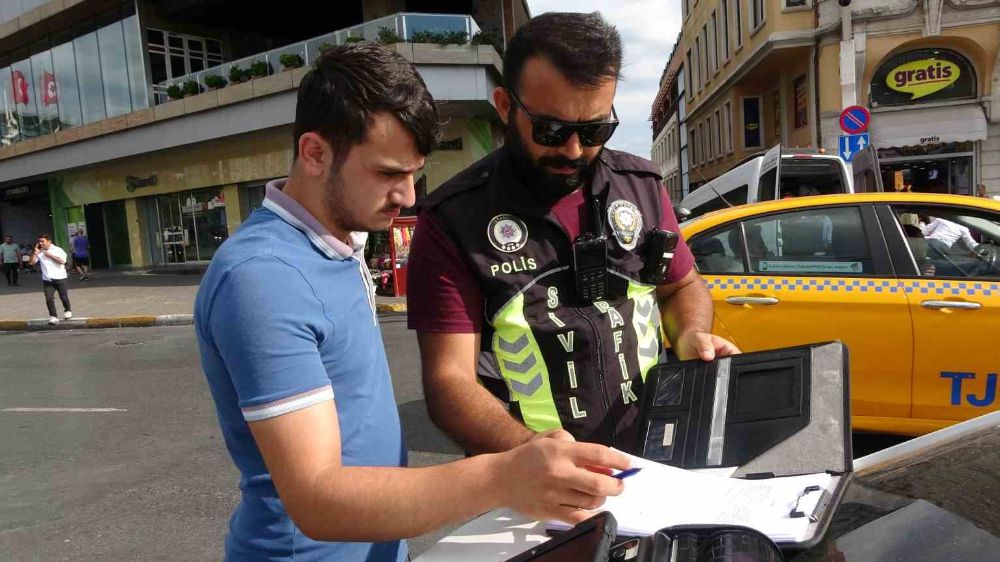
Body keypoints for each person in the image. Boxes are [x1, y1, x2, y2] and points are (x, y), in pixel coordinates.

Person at [194, 42, 630, 562]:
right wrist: (502, 476)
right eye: (386, 173)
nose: (407, 196)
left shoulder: (332, 243)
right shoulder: (264, 277)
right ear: (314, 153)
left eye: (413, 174)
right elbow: (315, 499)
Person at [406, 12, 740, 455]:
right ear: (505, 106)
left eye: (595, 130)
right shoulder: (453, 219)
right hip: (527, 483)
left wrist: (689, 334)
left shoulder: (641, 187)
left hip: (657, 455)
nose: (574, 150)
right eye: (552, 130)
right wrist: (531, 453)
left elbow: (681, 286)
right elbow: (449, 383)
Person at [28, 234, 71, 325]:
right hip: (47, 279)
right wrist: (35, 253)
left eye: (42, 241)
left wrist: (49, 255)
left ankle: (67, 310)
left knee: (63, 297)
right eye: (39, 241)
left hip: (60, 278)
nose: (40, 243)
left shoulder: (58, 250)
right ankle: (53, 316)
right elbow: (31, 262)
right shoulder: (39, 252)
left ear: (49, 241)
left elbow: (62, 261)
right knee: (49, 299)